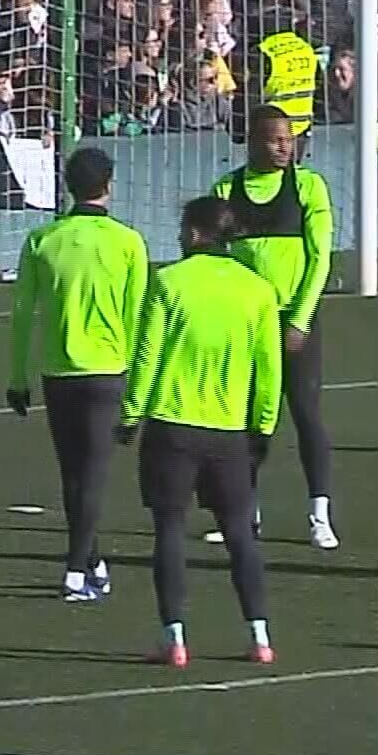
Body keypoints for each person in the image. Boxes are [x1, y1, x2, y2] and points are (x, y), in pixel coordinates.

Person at [121, 196, 282, 667]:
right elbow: (269, 368)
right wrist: (263, 425)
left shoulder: (169, 282)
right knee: (239, 533)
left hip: (173, 426)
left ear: (194, 233)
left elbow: (148, 354)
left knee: (170, 528)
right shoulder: (258, 291)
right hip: (229, 431)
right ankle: (259, 636)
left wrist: (131, 414)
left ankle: (174, 638)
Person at [6, 145, 148, 602]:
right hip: (108, 372)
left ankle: (92, 562)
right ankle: (74, 570)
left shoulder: (42, 240)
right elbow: (137, 319)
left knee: (73, 474)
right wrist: (138, 395)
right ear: (109, 185)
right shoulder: (128, 242)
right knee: (93, 476)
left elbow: (22, 314)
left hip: (58, 372)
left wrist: (17, 378)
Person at [208, 104, 338, 550]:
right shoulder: (227, 189)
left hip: (294, 322)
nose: (285, 147)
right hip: (247, 325)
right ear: (253, 142)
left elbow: (320, 259)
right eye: (275, 140)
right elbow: (217, 260)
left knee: (306, 414)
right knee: (243, 418)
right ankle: (246, 513)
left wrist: (299, 318)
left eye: (289, 139)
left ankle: (319, 513)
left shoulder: (307, 186)